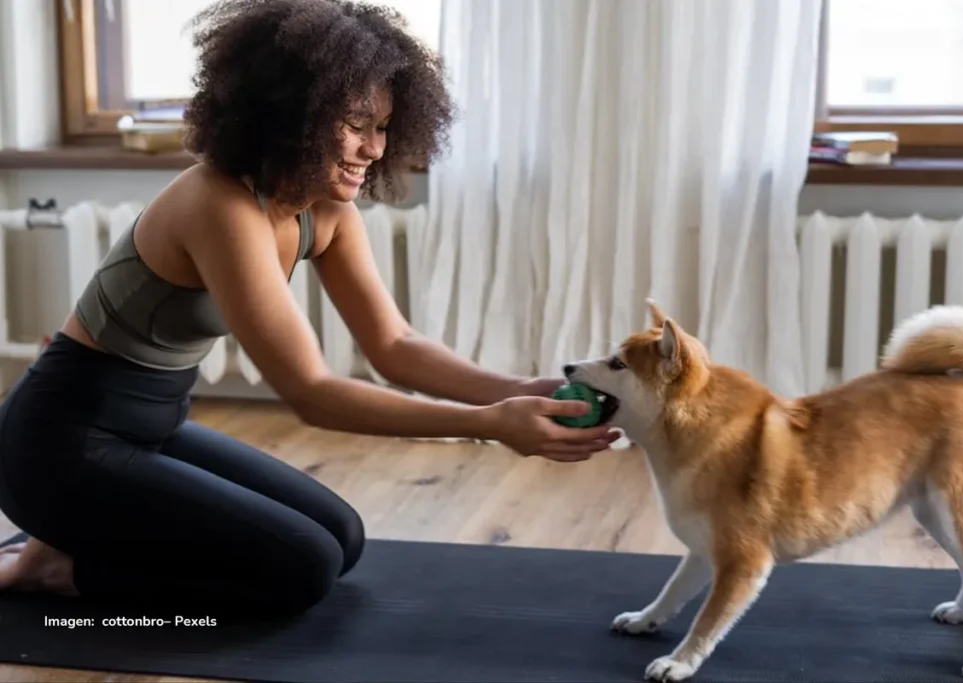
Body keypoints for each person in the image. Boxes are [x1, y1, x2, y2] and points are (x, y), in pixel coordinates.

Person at [0, 0, 617, 616]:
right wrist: (491, 425)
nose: (373, 148)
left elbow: (393, 345)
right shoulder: (218, 204)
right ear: (293, 113)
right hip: (60, 445)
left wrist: (512, 390)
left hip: (152, 430)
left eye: (383, 127)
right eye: (355, 123)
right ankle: (64, 568)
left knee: (341, 538)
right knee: (302, 567)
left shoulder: (323, 211)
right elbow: (312, 392)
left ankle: (72, 541)